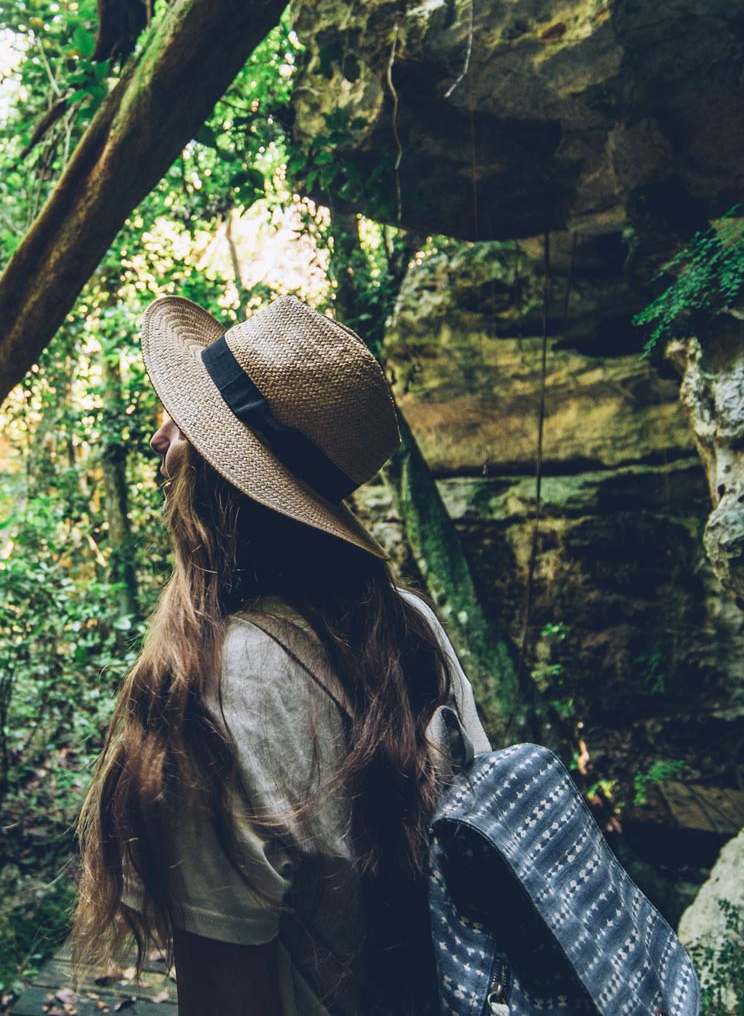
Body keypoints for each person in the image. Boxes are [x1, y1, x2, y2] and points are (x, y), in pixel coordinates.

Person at [74, 293, 493, 1016]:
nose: (156, 438)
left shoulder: (217, 689)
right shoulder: (412, 627)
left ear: (214, 471)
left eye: (180, 420)